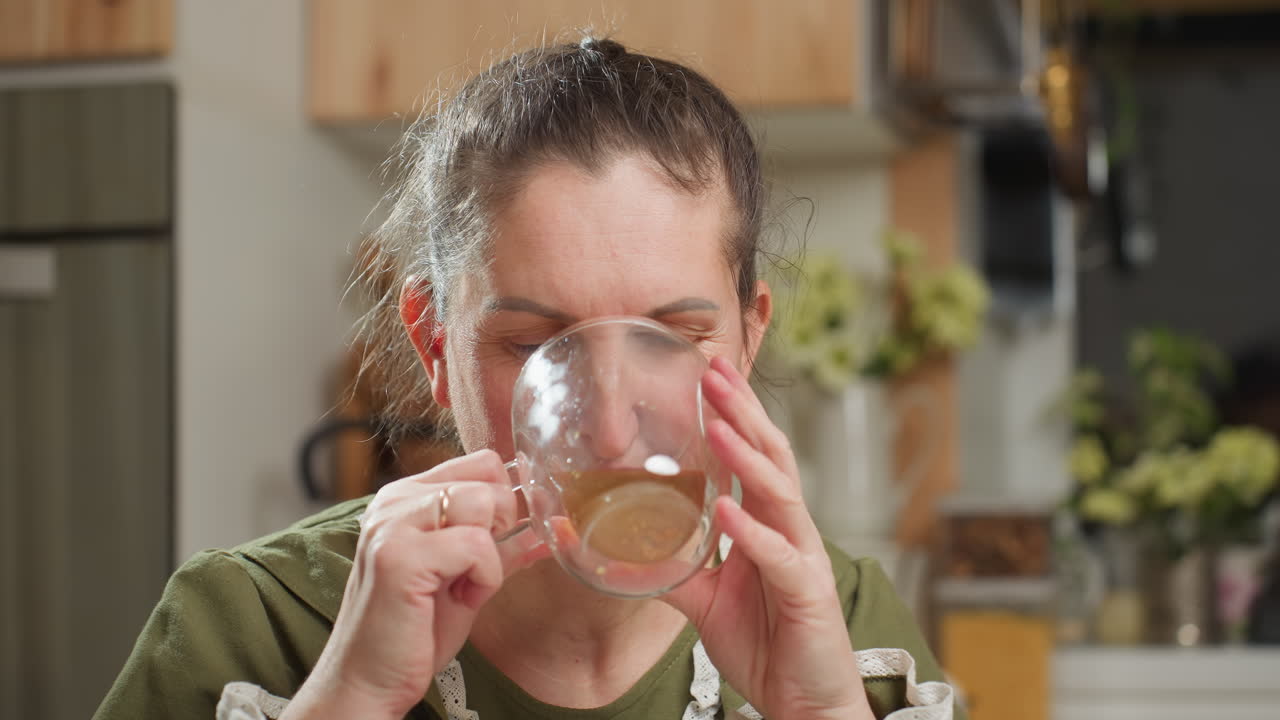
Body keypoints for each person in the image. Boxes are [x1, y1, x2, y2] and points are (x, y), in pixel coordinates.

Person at [94, 38, 960, 720]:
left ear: (746, 340)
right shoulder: (245, 627)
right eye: (533, 343)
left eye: (674, 336)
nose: (613, 431)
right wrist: (349, 701)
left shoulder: (842, 627)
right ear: (434, 345)